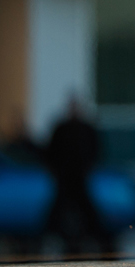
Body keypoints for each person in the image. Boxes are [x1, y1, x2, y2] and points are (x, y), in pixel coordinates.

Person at [45, 98, 115, 255]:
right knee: (58, 210)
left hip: (80, 178)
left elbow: (96, 151)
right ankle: (53, 236)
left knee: (87, 211)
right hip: (65, 178)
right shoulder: (62, 128)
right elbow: (52, 152)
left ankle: (99, 241)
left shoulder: (85, 129)